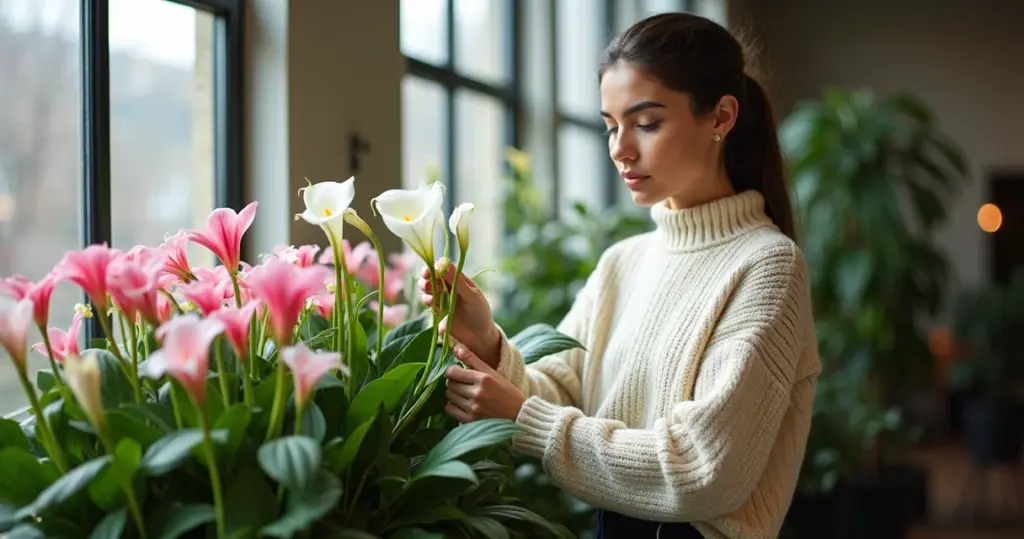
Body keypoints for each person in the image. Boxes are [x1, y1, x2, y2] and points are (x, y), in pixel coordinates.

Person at [419, 12, 820, 539]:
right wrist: (486, 339)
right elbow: (559, 391)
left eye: (647, 123)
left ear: (721, 116)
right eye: (611, 126)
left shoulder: (767, 266)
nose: (619, 148)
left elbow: (702, 470)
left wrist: (527, 422)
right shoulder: (623, 263)